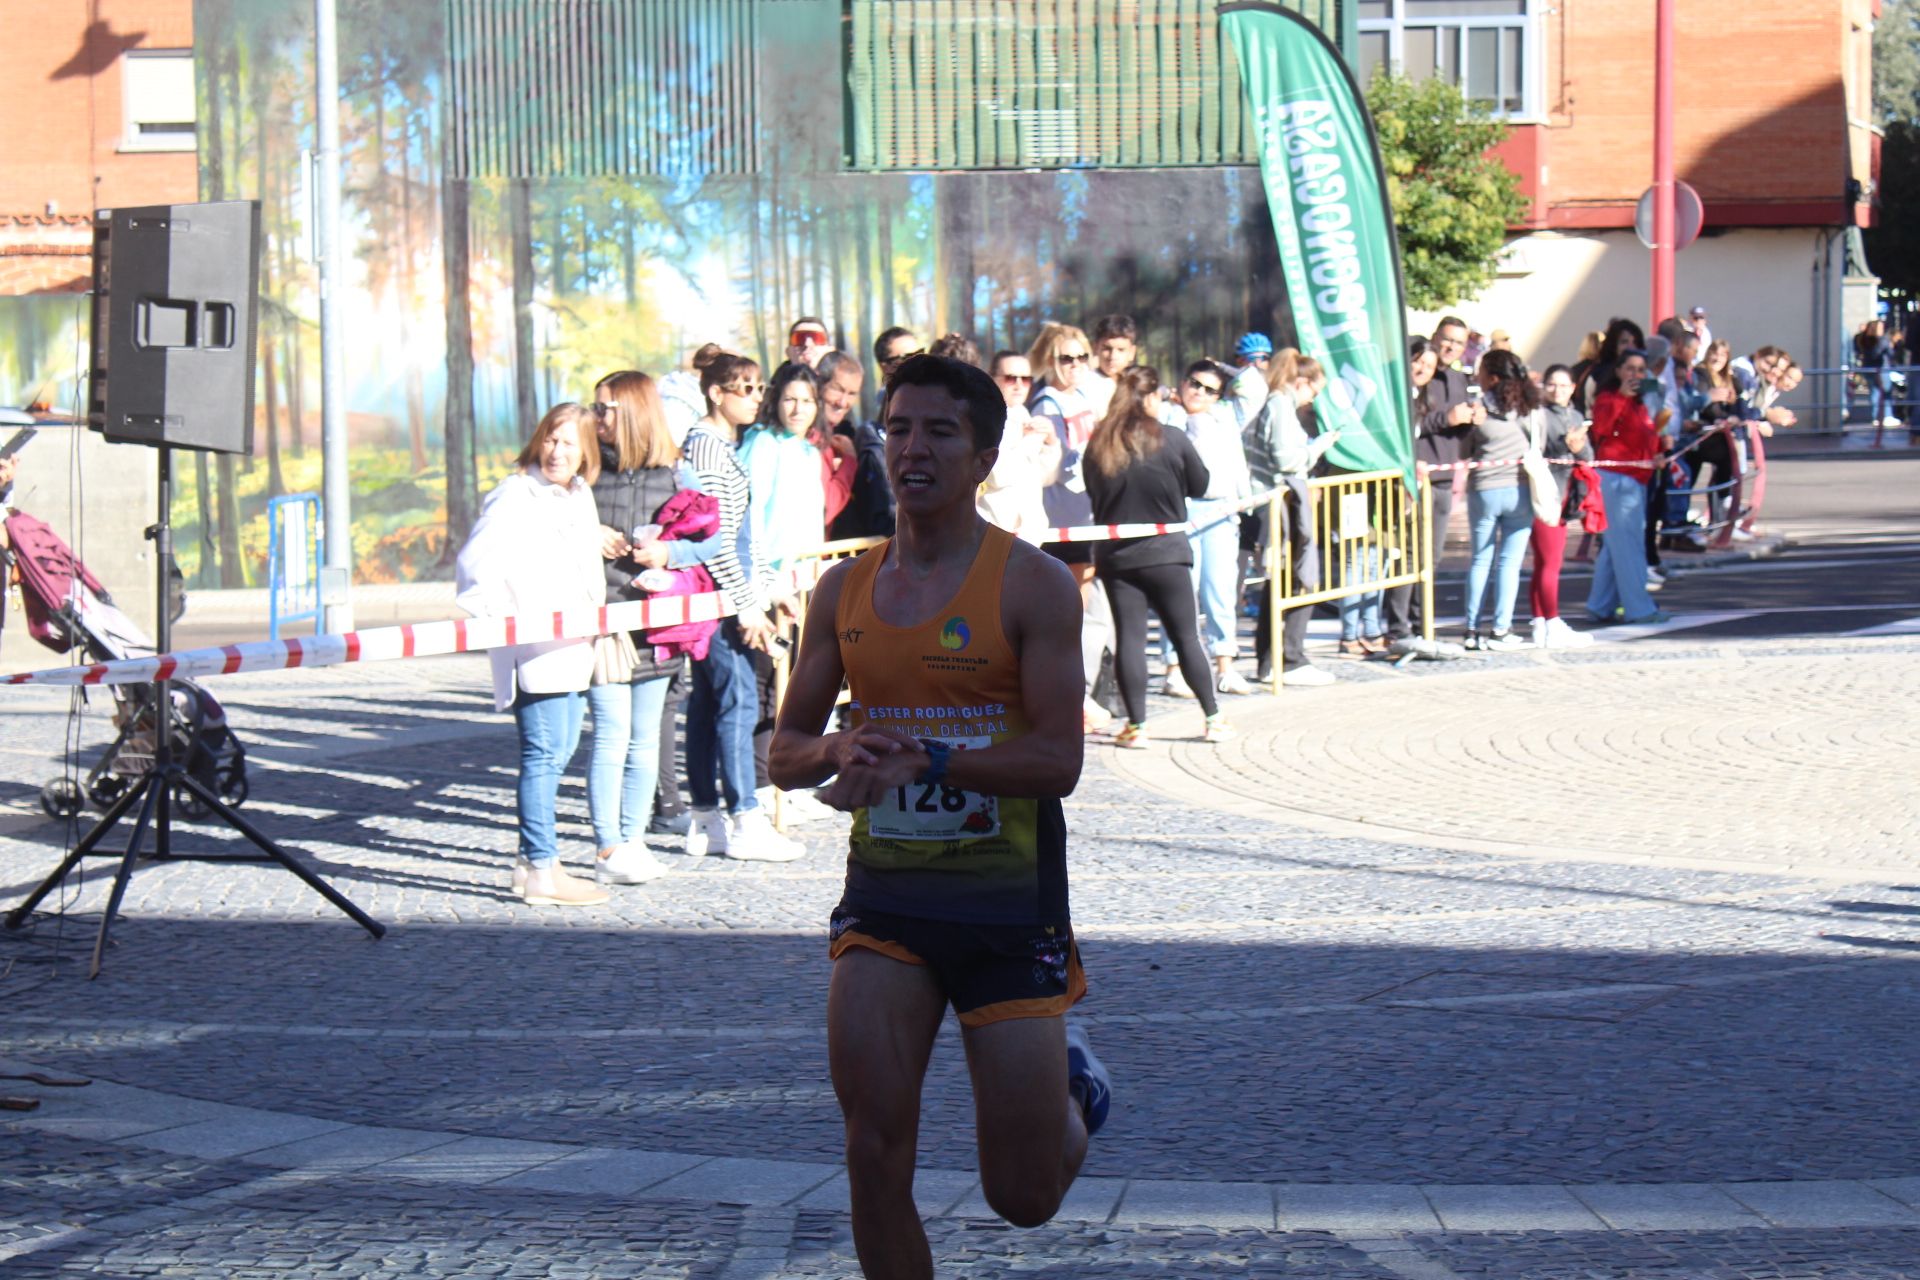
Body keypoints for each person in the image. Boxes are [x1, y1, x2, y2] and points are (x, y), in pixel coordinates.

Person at [768, 354, 1105, 1280]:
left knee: (1023, 1196)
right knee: (872, 1153)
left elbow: (1058, 762)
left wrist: (937, 759)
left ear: (985, 456)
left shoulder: (1031, 585)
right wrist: (839, 751)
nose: (913, 448)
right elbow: (783, 751)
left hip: (1008, 912)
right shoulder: (844, 590)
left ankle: (1074, 1091)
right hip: (886, 907)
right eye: (899, 428)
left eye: (940, 432)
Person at [454, 403, 610, 907]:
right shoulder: (516, 494)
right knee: (543, 754)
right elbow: (476, 565)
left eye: (569, 442)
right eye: (551, 438)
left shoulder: (577, 494)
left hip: (573, 645)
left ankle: (531, 862)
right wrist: (503, 618)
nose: (557, 450)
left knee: (561, 749)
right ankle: (542, 867)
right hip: (534, 650)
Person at [669, 352, 805, 862]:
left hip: (729, 593)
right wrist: (747, 605)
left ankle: (708, 821)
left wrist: (770, 587)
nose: (755, 398)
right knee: (735, 701)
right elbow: (715, 538)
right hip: (717, 598)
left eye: (756, 388)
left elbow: (747, 537)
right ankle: (742, 817)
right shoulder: (705, 449)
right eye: (743, 389)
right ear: (715, 394)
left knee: (712, 704)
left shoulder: (723, 448)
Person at [1083, 366, 1234, 745]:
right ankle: (1213, 719)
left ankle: (1137, 727)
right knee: (1186, 636)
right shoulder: (1172, 438)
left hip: (1118, 555)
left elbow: (1092, 492)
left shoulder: (1101, 442)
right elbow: (1201, 484)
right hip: (1167, 552)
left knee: (1130, 639)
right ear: (1151, 398)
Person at [583, 372, 686, 887]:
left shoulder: (673, 475)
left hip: (658, 625)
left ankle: (634, 840)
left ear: (634, 411)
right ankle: (607, 848)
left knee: (646, 740)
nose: (596, 417)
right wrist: (586, 532)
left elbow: (709, 541)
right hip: (605, 627)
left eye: (605, 408)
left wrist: (669, 554)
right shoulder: (583, 473)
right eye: (594, 408)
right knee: (611, 736)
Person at [1027, 322, 1114, 732]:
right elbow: (1056, 466)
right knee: (1071, 611)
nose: (1076, 365)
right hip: (1064, 515)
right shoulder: (1046, 404)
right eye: (1067, 358)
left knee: (1086, 608)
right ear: (1051, 361)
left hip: (1087, 510)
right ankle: (1071, 700)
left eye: (1082, 357)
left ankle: (1079, 696)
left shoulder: (1085, 396)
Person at [1163, 358, 1265, 697]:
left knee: (1220, 590)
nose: (1200, 393)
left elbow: (1255, 390)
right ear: (1182, 381)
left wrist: (1222, 367)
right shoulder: (1166, 416)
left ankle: (1225, 665)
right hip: (1181, 511)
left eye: (1210, 389)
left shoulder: (1224, 416)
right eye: (1195, 383)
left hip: (1220, 510)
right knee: (1180, 592)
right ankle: (1173, 668)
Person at [1383, 318, 1479, 659]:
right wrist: (1448, 419)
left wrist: (1471, 421)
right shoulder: (1417, 379)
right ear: (1436, 337)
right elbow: (1416, 423)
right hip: (1415, 477)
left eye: (1458, 342)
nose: (1451, 347)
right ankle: (1398, 627)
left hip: (1443, 477)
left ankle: (1422, 624)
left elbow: (1455, 429)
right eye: (1447, 340)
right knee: (1407, 555)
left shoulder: (1458, 378)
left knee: (1431, 557)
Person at [1245, 349, 1341, 685]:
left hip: (1277, 505)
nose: (1313, 399)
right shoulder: (1280, 404)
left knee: (1282, 581)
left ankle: (1271, 659)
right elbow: (1286, 459)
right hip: (1281, 507)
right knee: (1298, 578)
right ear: (1302, 382)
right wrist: (1320, 446)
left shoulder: (1275, 402)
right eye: (1314, 391)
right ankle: (1289, 658)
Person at [1460, 350, 1543, 651]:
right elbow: (1540, 444)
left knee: (1480, 559)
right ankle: (1501, 629)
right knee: (1509, 563)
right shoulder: (1531, 409)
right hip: (1520, 488)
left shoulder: (1479, 409)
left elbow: (1464, 449)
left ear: (1492, 378)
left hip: (1484, 488)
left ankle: (1471, 629)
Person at [1585, 349, 1668, 626]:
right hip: (1617, 478)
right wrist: (1622, 396)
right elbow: (1602, 429)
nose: (1636, 375)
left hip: (1634, 477)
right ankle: (1638, 608)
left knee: (1614, 547)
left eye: (1641, 370)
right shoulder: (1608, 399)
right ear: (1619, 371)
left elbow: (1646, 436)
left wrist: (1655, 454)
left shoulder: (1642, 403)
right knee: (1629, 547)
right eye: (1630, 369)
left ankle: (1600, 604)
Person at [1529, 365, 1595, 648]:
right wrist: (1562, 447)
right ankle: (1550, 621)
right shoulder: (1539, 415)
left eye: (1564, 385)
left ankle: (1542, 624)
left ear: (1572, 388)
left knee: (1545, 563)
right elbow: (1534, 452)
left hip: (1565, 494)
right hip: (1545, 493)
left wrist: (1578, 447)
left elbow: (1588, 455)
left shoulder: (1576, 415)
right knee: (1550, 563)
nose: (1558, 390)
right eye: (1552, 384)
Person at [977, 349, 1056, 538]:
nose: (1019, 385)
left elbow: (1045, 478)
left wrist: (1050, 442)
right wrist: (1028, 441)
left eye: (1026, 379)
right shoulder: (984, 419)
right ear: (993, 378)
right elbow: (996, 474)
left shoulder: (1023, 414)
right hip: (994, 533)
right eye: (1011, 378)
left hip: (1028, 535)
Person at [1087, 314, 1138, 417]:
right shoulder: (1087, 385)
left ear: (1132, 352)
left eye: (1121, 350)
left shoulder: (1136, 383)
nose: (1113, 356)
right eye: (1107, 349)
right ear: (1095, 348)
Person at [1858, 319, 1897, 443]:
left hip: (1869, 368)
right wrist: (1888, 345)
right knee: (1884, 393)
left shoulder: (1865, 339)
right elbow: (1889, 353)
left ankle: (1877, 416)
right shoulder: (1881, 340)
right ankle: (1886, 416)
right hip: (1880, 369)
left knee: (1874, 393)